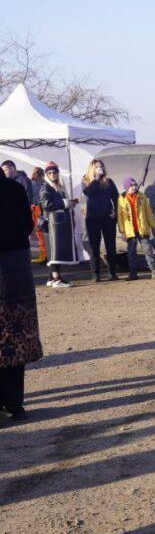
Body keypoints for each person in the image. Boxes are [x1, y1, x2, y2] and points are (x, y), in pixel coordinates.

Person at [0, 168, 44, 422]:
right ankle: (15, 404)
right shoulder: (15, 189)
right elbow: (28, 225)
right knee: (15, 339)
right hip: (17, 271)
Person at [38, 162, 78, 288]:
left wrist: (70, 203)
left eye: (54, 172)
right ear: (46, 174)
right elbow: (46, 205)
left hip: (58, 223)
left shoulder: (58, 186)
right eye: (49, 172)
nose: (52, 174)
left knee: (55, 250)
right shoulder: (45, 187)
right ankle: (56, 279)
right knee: (55, 251)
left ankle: (51, 277)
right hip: (52, 224)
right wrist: (64, 203)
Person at [118, 177, 155, 280]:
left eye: (135, 185)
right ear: (126, 187)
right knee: (131, 253)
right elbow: (120, 217)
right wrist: (122, 232)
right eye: (131, 186)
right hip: (130, 232)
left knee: (148, 251)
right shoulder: (121, 199)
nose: (134, 187)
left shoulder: (142, 197)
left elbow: (149, 213)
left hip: (143, 230)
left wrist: (153, 227)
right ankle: (133, 273)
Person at [82, 159, 120, 282]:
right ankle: (96, 274)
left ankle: (112, 273)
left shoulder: (109, 182)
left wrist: (116, 212)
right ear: (92, 168)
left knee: (110, 245)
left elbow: (116, 197)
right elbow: (88, 193)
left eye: (101, 166)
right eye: (97, 167)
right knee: (94, 246)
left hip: (107, 216)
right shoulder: (86, 181)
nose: (100, 168)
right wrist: (96, 179)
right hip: (92, 218)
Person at [29, 168, 46, 263]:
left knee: (39, 233)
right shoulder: (44, 184)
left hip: (36, 209)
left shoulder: (31, 184)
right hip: (42, 209)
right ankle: (45, 255)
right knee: (43, 233)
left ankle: (43, 256)